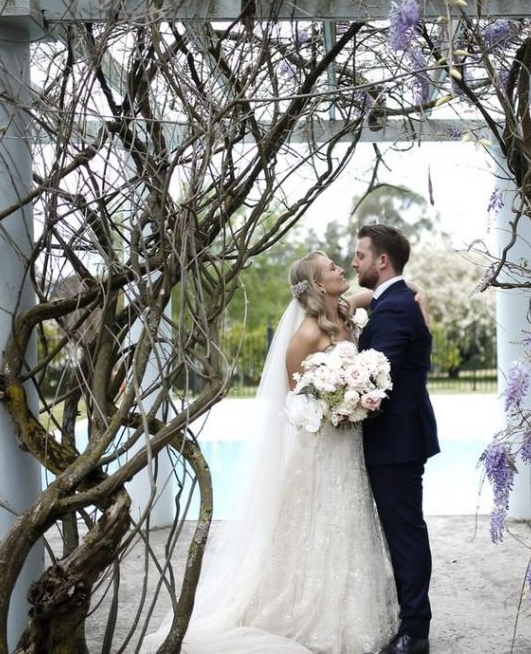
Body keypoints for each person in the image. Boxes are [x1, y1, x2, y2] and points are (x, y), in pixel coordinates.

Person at [142, 250, 426, 654]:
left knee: (352, 527)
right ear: (315, 284)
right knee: (319, 531)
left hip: (353, 450)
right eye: (332, 268)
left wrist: (419, 293)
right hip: (324, 449)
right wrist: (340, 405)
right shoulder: (307, 334)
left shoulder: (347, 311)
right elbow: (298, 403)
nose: (341, 268)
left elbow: (389, 291)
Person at [351, 224, 440, 654]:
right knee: (403, 530)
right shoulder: (398, 301)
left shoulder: (394, 308)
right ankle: (410, 619)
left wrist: (337, 394)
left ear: (381, 260)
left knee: (405, 532)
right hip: (398, 439)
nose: (354, 263)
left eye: (360, 255)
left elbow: (374, 381)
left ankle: (415, 632)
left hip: (395, 442)